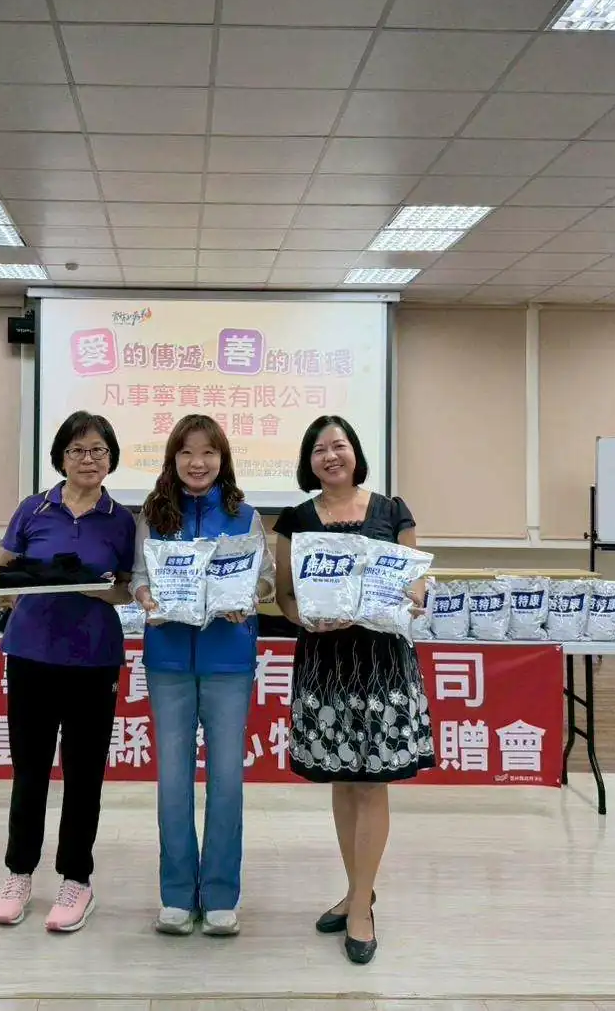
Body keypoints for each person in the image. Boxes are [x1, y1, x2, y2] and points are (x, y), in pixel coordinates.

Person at [272, 415, 435, 966]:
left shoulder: (391, 511)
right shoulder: (296, 520)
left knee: (371, 784)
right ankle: (355, 890)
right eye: (319, 449)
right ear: (309, 461)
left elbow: (415, 579)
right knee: (343, 782)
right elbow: (286, 597)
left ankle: (361, 906)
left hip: (382, 663)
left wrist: (415, 595)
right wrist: (304, 618)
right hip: (326, 662)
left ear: (355, 453)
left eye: (338, 445)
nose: (330, 456)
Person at [0, 411, 136, 933]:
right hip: (30, 652)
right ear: (60, 458)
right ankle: (18, 872)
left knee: (84, 774)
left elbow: (127, 589)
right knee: (29, 770)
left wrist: (99, 590)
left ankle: (76, 879)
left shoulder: (121, 519)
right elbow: (0, 565)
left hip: (94, 659)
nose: (88, 459)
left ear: (111, 458)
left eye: (98, 450)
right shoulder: (34, 508)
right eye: (77, 450)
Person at [130, 414, 275, 939]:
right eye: (187, 452)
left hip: (228, 661)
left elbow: (265, 581)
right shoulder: (153, 514)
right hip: (168, 660)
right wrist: (147, 598)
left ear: (223, 459)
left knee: (227, 779)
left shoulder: (245, 516)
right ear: (172, 459)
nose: (198, 463)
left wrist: (247, 598)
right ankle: (175, 895)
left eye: (208, 452)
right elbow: (139, 579)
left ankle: (219, 895)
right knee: (173, 780)